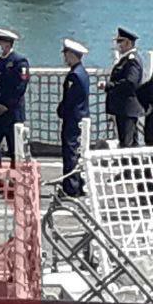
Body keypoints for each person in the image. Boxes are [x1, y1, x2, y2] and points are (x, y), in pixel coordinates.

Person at [0, 27, 30, 167]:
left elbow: (21, 87)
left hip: (12, 112)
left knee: (15, 148)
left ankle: (15, 176)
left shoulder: (19, 61)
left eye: (0, 43)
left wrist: (7, 106)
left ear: (7, 44)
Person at [55, 39, 90, 197]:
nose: (65, 58)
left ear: (71, 55)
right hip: (81, 117)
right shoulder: (82, 72)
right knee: (78, 152)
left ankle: (71, 187)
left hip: (73, 119)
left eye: (66, 55)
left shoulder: (74, 75)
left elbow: (70, 100)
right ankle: (79, 184)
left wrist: (61, 110)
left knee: (70, 153)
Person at [103, 27, 144, 147]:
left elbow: (130, 82)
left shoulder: (132, 60)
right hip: (124, 109)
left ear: (128, 42)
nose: (118, 45)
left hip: (127, 108)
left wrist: (109, 85)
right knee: (129, 143)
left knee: (127, 144)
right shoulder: (126, 59)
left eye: (120, 41)